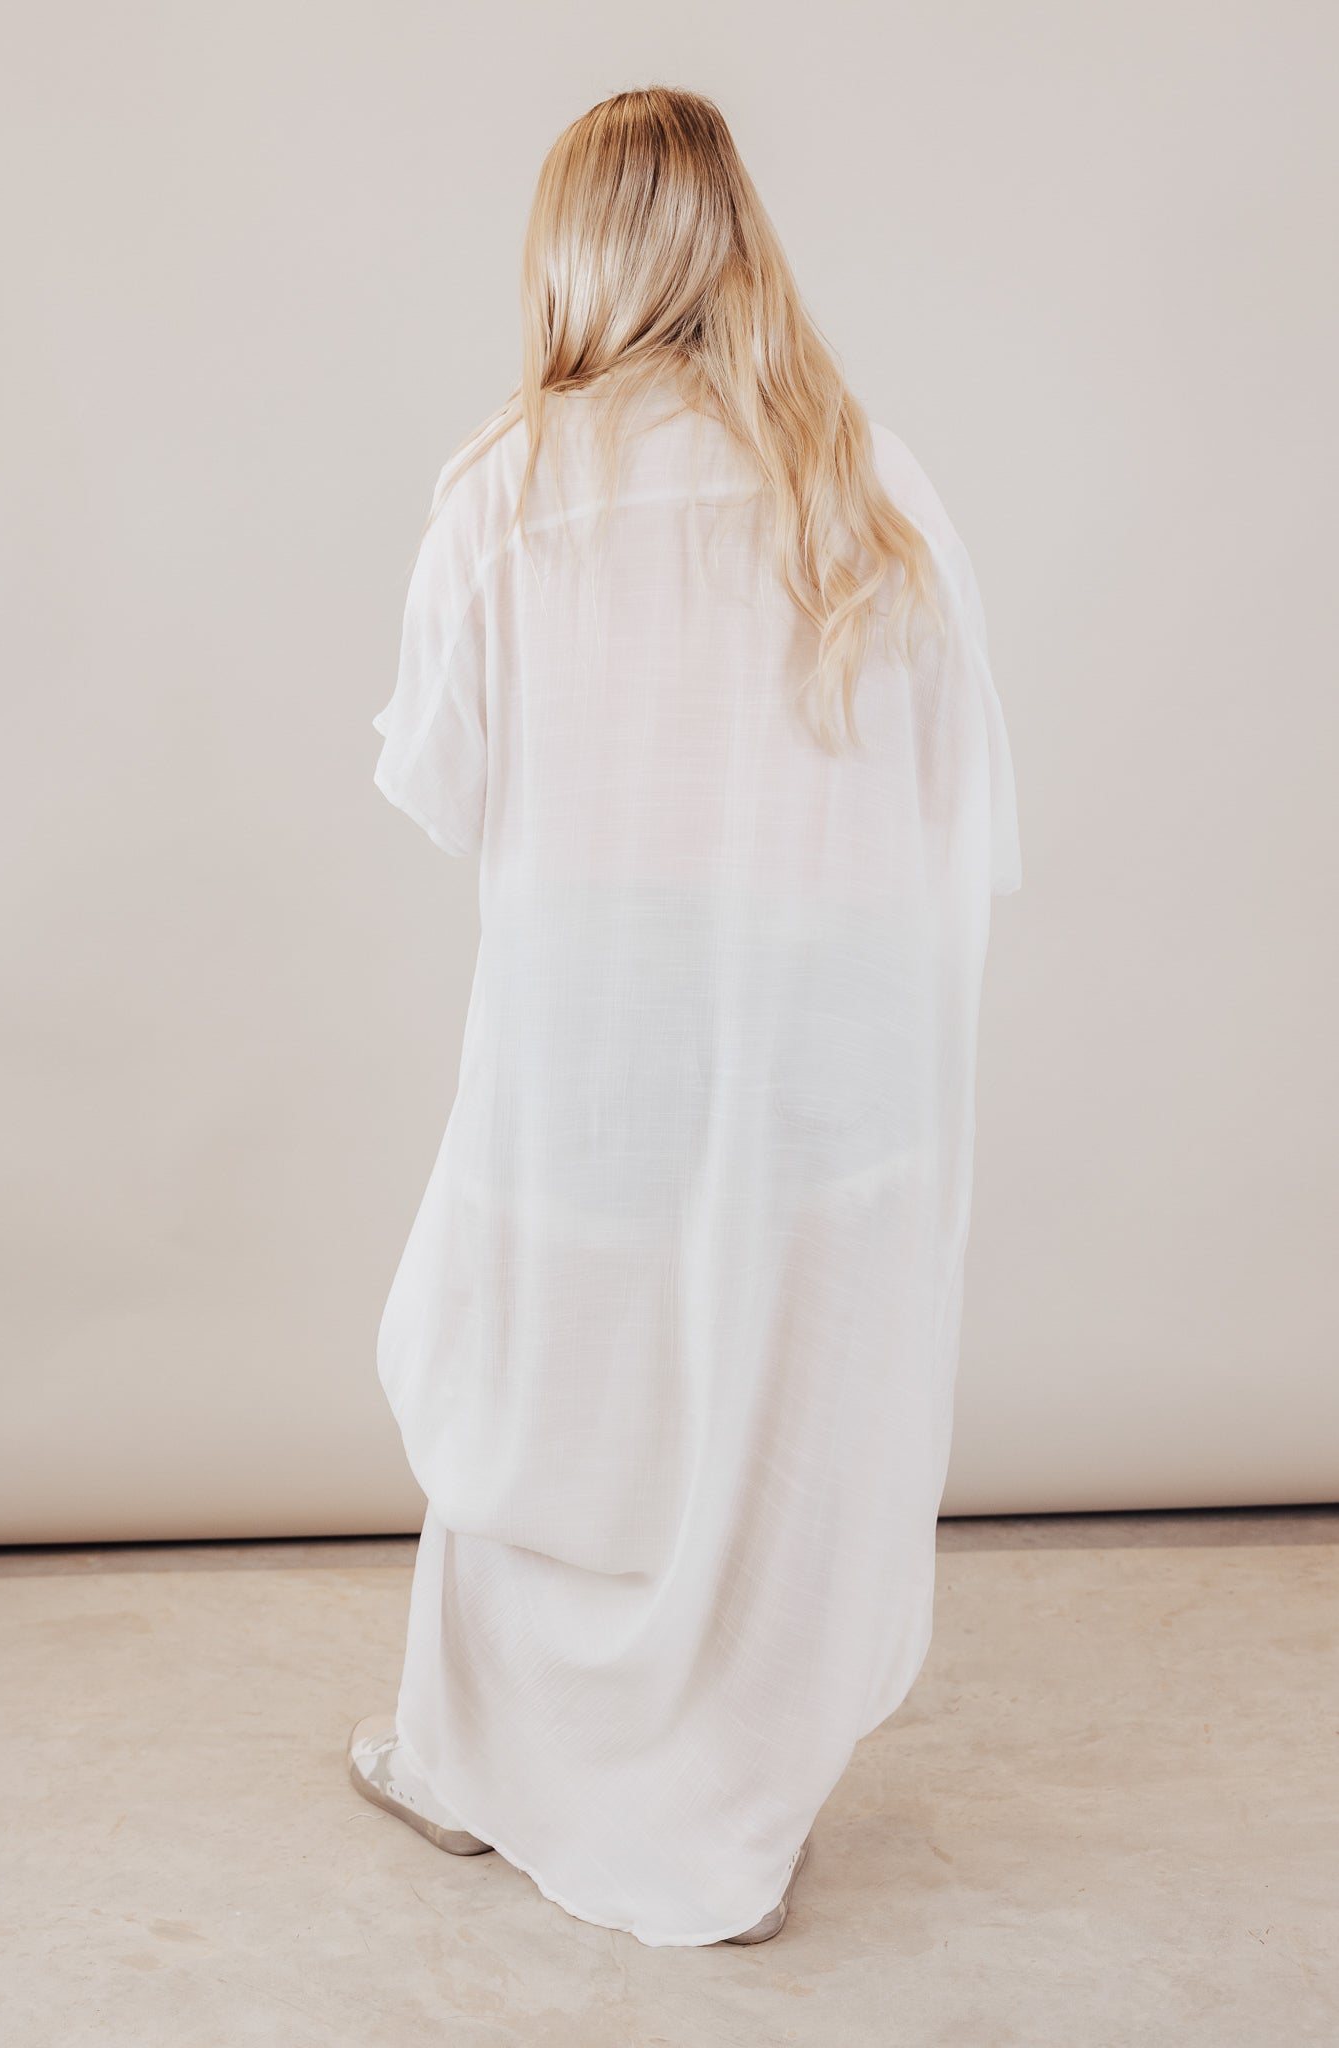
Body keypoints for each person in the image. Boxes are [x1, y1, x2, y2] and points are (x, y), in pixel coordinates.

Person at [348, 84, 1022, 1949]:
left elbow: (443, 780)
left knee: (558, 1383)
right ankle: (731, 1786)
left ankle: (475, 1762)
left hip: (599, 1050)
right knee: (767, 1395)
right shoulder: (869, 481)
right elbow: (954, 802)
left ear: (574, 247)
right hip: (826, 1063)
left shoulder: (511, 485)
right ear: (738, 241)